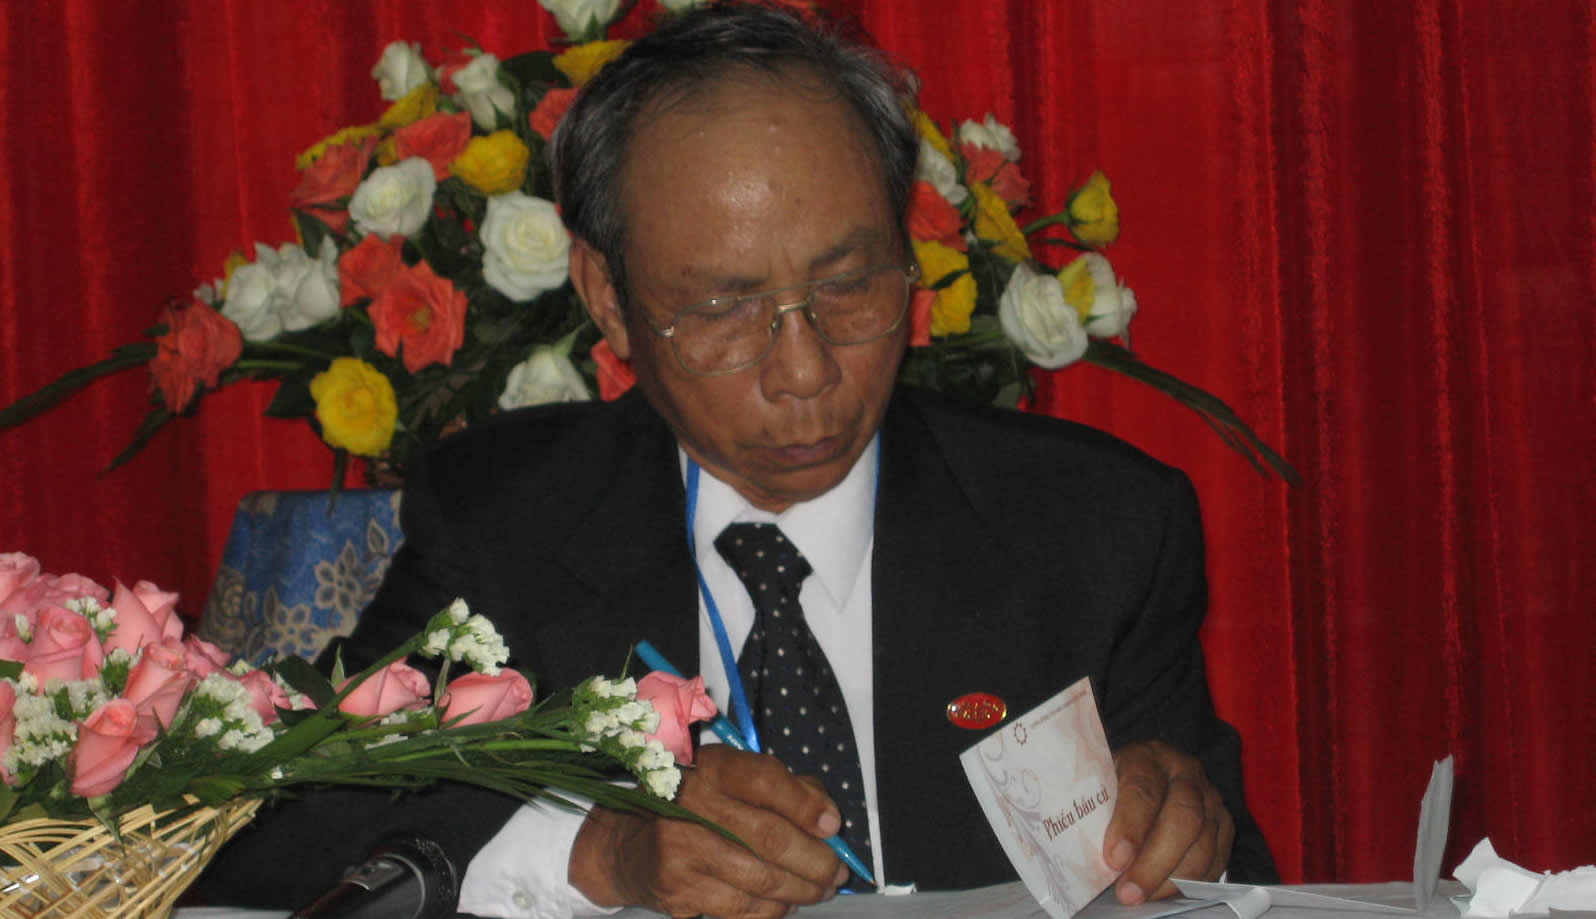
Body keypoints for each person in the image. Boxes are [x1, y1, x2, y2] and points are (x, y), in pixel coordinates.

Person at [196, 3, 1275, 916]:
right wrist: (596, 854)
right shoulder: (506, 522)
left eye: (851, 288)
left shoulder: (1095, 523)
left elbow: (1229, 862)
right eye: (722, 307)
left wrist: (1193, 844)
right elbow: (271, 846)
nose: (803, 368)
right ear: (607, 297)